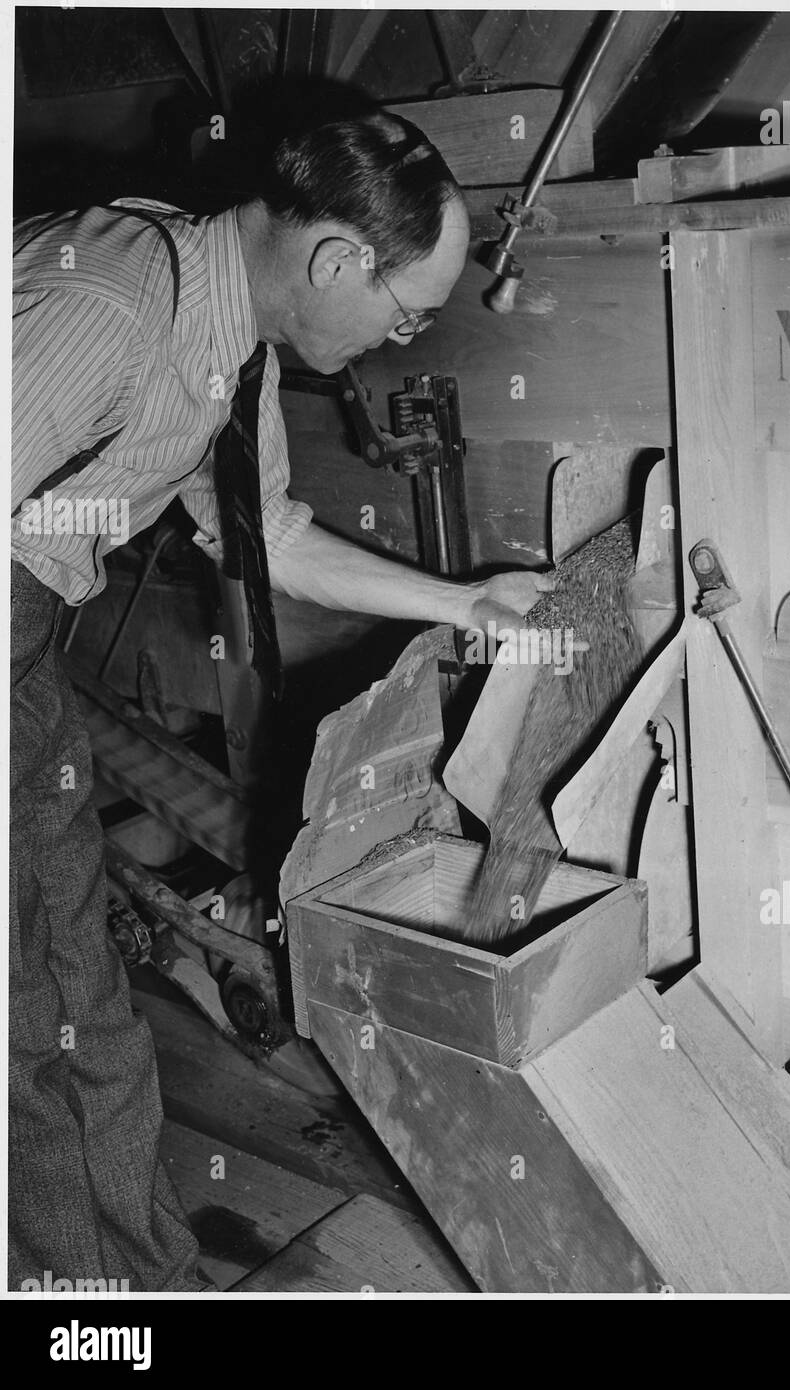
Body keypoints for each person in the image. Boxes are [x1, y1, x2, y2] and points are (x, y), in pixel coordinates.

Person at [10, 110, 550, 1291]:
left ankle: (138, 1286)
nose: (400, 338)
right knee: (17, 1021)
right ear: (335, 261)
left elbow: (274, 537)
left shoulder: (230, 332)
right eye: (403, 312)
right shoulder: (107, 307)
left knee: (80, 1007)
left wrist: (468, 605)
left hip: (24, 643)